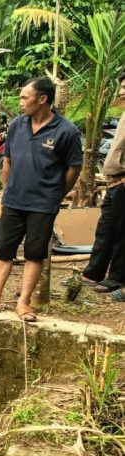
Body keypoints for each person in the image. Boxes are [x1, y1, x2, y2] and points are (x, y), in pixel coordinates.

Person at [0, 77, 82, 322]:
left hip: (43, 204)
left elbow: (74, 167)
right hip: (14, 200)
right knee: (3, 250)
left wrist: (57, 193)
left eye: (24, 97)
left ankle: (24, 303)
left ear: (42, 99)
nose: (20, 102)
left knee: (34, 253)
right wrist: (7, 189)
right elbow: (7, 158)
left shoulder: (66, 131)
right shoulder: (18, 124)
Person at [83, 72, 125, 293]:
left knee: (121, 232)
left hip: (123, 182)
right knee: (105, 228)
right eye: (121, 87)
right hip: (113, 182)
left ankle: (117, 276)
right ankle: (93, 273)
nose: (121, 92)